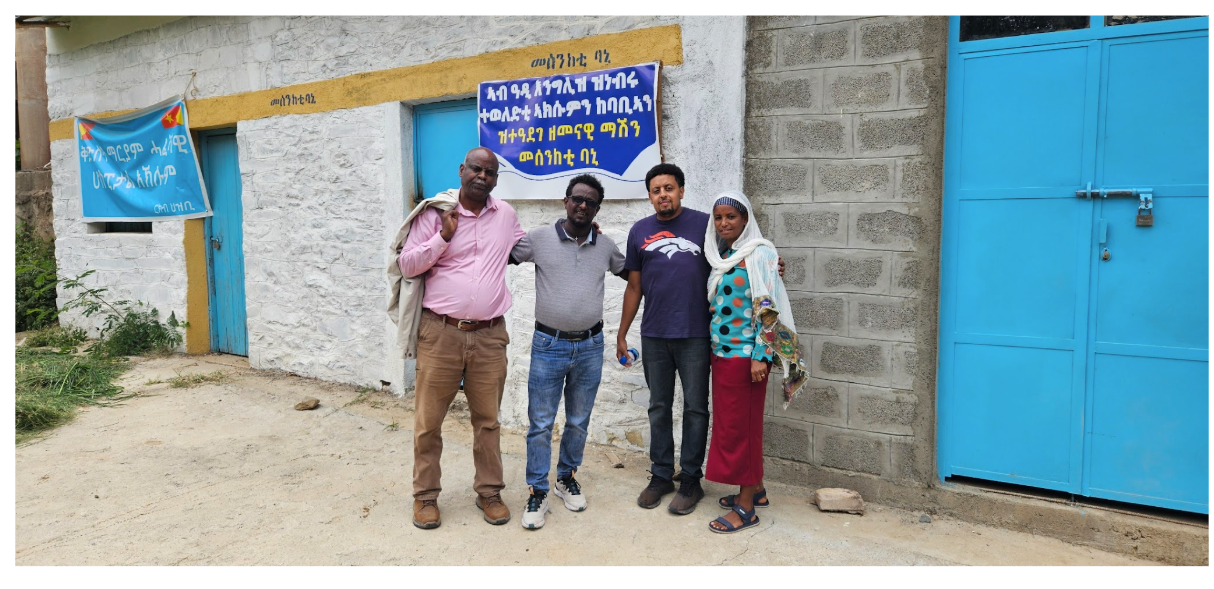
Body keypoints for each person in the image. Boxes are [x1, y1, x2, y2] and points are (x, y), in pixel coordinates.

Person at [396, 147, 526, 530]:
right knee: (428, 421)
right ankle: (425, 497)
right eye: (476, 169)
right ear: (461, 170)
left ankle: (489, 492)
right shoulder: (436, 214)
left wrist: (577, 233)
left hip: (489, 336)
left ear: (496, 179)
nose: (482, 176)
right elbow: (407, 265)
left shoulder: (506, 215)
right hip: (441, 333)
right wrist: (443, 237)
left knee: (488, 421)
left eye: (490, 172)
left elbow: (525, 247)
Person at [509, 174, 627, 530]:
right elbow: (498, 255)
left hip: (590, 346)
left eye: (590, 202)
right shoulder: (539, 238)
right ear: (565, 201)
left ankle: (565, 478)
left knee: (578, 421)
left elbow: (635, 272)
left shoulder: (605, 246)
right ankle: (538, 490)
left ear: (597, 210)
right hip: (549, 345)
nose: (583, 205)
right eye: (577, 198)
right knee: (541, 423)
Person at [703, 190, 808, 534]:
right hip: (722, 356)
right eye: (718, 218)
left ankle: (746, 508)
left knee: (744, 431)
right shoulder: (724, 255)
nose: (724, 223)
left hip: (747, 359)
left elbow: (767, 308)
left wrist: (761, 356)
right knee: (733, 426)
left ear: (746, 219)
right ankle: (757, 490)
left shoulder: (760, 253)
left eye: (731, 217)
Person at [617, 163, 714, 515]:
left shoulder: (705, 224)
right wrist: (622, 333)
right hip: (655, 334)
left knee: (695, 408)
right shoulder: (640, 230)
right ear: (649, 196)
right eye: (656, 190)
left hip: (695, 333)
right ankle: (661, 475)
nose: (663, 195)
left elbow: (735, 256)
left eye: (669, 188)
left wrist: (768, 263)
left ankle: (690, 479)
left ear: (681, 191)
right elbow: (634, 286)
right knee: (658, 406)